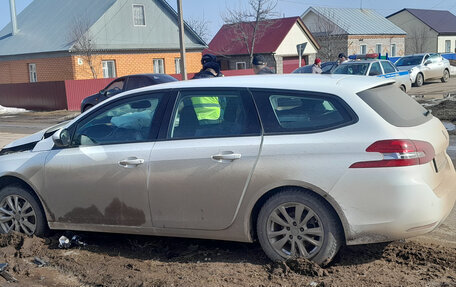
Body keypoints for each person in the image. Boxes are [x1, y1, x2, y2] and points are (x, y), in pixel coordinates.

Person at [191, 54, 222, 122]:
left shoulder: (193, 81)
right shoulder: (219, 81)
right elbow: (224, 101)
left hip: (196, 120)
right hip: (215, 119)